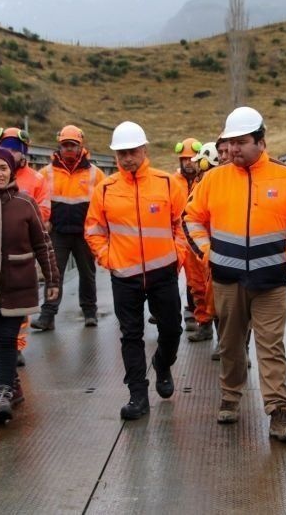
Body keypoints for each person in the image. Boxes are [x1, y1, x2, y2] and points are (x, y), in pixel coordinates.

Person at [183, 107, 286, 442]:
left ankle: (279, 413)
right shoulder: (213, 179)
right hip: (227, 280)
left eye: (241, 142)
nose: (233, 149)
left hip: (271, 281)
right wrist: (209, 254)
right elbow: (190, 219)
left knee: (271, 346)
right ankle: (230, 395)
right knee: (230, 342)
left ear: (261, 141)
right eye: (229, 142)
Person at [85, 121, 186, 420]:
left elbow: (183, 224)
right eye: (121, 153)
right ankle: (138, 396)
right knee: (131, 335)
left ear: (144, 149)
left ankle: (163, 363)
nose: (127, 158)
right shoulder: (105, 189)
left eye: (132, 151)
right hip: (124, 276)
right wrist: (108, 258)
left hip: (162, 272)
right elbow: (94, 230)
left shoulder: (167, 183)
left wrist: (176, 256)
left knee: (172, 328)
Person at [0, 146, 60, 424]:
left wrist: (52, 279)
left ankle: (2, 393)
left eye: (3, 168)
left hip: (18, 284)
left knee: (6, 338)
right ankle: (15, 386)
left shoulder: (25, 203)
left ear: (11, 170)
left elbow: (42, 244)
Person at [33, 125, 105, 330]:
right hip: (58, 233)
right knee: (53, 274)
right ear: (59, 147)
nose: (69, 150)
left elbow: (103, 203)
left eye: (72, 146)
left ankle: (90, 312)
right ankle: (47, 315)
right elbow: (37, 200)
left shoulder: (96, 174)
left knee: (88, 274)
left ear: (81, 147)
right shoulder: (45, 173)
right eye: (65, 145)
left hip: (85, 233)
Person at [0, 127, 49, 366]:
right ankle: (1, 342)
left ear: (24, 151)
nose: (10, 153)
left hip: (22, 249)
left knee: (19, 300)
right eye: (5, 147)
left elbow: (44, 212)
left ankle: (16, 346)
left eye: (15, 149)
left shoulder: (36, 179)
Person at [171, 137, 214, 340]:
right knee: (195, 284)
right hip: (185, 241)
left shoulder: (207, 180)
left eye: (191, 159)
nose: (188, 163)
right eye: (184, 159)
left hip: (209, 238)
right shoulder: (172, 182)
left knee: (214, 286)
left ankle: (223, 335)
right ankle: (203, 324)